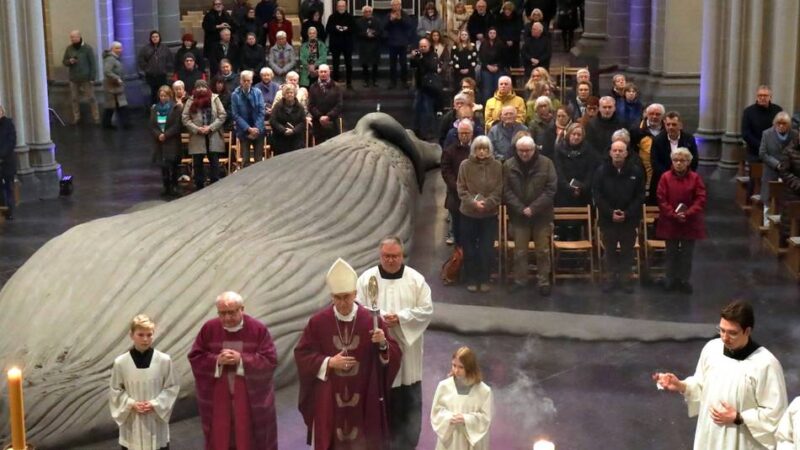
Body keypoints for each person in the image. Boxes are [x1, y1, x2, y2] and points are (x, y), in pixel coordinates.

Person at [294, 258, 402, 450]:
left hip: (363, 393)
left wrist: (383, 343)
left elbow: (393, 354)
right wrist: (328, 362)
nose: (342, 303)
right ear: (331, 296)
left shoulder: (371, 320)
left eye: (346, 297)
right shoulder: (318, 322)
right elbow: (302, 354)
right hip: (330, 396)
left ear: (355, 294)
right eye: (337, 297)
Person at [654, 300, 788, 450]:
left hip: (742, 441)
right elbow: (701, 386)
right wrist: (682, 386)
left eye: (732, 333)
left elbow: (775, 414)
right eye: (722, 330)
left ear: (747, 331)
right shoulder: (712, 349)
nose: (725, 337)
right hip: (710, 438)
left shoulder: (765, 364)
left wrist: (738, 417)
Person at [356, 237, 434, 450]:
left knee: (407, 408)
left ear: (402, 255)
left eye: (395, 256)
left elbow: (427, 310)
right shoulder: (366, 279)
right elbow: (358, 310)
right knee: (380, 407)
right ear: (380, 256)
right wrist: (379, 321)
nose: (391, 260)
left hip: (408, 353)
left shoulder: (416, 280)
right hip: (376, 353)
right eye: (387, 256)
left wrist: (401, 318)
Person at [189, 291, 279, 450]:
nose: (227, 318)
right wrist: (217, 360)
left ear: (242, 309)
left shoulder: (257, 329)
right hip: (219, 400)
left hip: (249, 400)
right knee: (221, 439)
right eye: (222, 313)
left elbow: (270, 360)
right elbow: (196, 356)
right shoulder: (210, 328)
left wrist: (241, 360)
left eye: (231, 312)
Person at [109, 314, 179, 450]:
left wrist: (155, 404)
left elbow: (172, 387)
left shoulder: (164, 360)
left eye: (149, 334)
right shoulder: (121, 363)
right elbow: (115, 390)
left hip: (155, 418)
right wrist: (131, 404)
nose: (145, 339)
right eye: (140, 335)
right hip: (132, 420)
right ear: (131, 335)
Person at [592, 130, 645, 293]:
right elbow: (597, 195)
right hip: (608, 220)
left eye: (620, 150)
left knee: (628, 251)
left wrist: (627, 213)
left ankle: (625, 280)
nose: (617, 153)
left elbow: (640, 195)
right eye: (614, 150)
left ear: (626, 152)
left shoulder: (636, 171)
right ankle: (610, 279)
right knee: (609, 251)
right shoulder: (601, 171)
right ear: (610, 152)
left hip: (629, 220)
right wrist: (610, 213)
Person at [504, 135, 556, 295]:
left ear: (534, 149)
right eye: (521, 151)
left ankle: (543, 282)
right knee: (520, 252)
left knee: (543, 251)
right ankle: (520, 280)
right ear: (516, 150)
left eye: (528, 150)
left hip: (542, 215)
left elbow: (551, 189)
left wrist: (533, 208)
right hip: (519, 216)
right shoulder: (508, 165)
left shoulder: (546, 164)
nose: (525, 154)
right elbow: (506, 190)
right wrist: (521, 208)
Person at [656, 147, 707, 293]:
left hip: (689, 222)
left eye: (682, 161)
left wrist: (688, 213)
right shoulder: (665, 177)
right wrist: (673, 214)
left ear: (688, 162)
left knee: (687, 254)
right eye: (676, 160)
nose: (678, 163)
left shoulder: (695, 178)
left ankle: (684, 280)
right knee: (670, 252)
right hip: (670, 221)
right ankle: (670, 279)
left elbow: (700, 198)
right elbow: (661, 198)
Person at [457, 136, 503, 292]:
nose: (482, 152)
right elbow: (461, 189)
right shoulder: (465, 165)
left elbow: (499, 189)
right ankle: (471, 278)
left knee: (486, 249)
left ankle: (484, 279)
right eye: (478, 148)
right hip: (468, 214)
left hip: (489, 215)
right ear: (474, 150)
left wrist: (488, 203)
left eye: (485, 149)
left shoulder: (497, 166)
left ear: (490, 150)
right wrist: (473, 203)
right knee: (469, 248)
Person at [430, 346, 493, 450]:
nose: (456, 370)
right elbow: (436, 412)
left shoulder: (484, 391)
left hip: (471, 443)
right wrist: (449, 417)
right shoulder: (444, 386)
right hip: (449, 441)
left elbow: (485, 419)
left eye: (461, 367)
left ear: (470, 367)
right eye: (454, 365)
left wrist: (466, 419)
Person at [182, 80, 227, 191]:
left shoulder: (215, 98)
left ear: (207, 87)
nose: (201, 89)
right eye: (198, 87)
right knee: (197, 162)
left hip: (213, 134)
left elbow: (222, 115)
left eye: (203, 86)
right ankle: (199, 186)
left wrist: (210, 127)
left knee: (214, 161)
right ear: (195, 89)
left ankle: (215, 185)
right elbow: (185, 118)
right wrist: (197, 129)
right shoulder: (190, 100)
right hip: (197, 136)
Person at [651, 111, 699, 205]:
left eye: (674, 124)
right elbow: (655, 162)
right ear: (664, 125)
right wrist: (669, 177)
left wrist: (683, 175)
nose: (670, 127)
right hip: (663, 180)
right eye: (668, 124)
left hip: (685, 179)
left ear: (680, 125)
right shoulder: (658, 140)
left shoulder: (689, 139)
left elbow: (694, 160)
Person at [442, 119, 475, 246]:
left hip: (474, 197)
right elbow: (446, 172)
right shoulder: (449, 151)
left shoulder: (477, 150)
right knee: (458, 234)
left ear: (472, 133)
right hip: (456, 198)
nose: (464, 135)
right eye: (462, 133)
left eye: (467, 133)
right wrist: (457, 187)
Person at [759, 112, 798, 211]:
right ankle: (767, 223)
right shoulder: (767, 134)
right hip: (771, 172)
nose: (781, 126)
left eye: (784, 124)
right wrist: (777, 164)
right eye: (778, 123)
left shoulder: (794, 134)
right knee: (768, 201)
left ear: (788, 125)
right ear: (774, 123)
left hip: (788, 173)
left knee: (785, 202)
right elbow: (762, 153)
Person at [150, 86, 183, 197]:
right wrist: (159, 134)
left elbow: (177, 125)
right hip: (160, 142)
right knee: (163, 166)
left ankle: (174, 186)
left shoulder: (175, 108)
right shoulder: (155, 109)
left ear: (170, 96)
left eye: (165, 96)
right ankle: (166, 187)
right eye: (161, 96)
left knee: (173, 165)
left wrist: (166, 134)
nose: (163, 98)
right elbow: (152, 125)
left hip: (172, 141)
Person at [554, 122, 596, 208]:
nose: (576, 137)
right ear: (569, 134)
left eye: (579, 135)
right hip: (563, 193)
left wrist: (582, 188)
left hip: (583, 194)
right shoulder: (559, 149)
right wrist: (569, 188)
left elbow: (590, 172)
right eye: (574, 134)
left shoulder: (589, 151)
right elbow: (558, 172)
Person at [62, 30, 99, 125]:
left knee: (91, 98)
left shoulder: (87, 48)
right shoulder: (69, 49)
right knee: (74, 98)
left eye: (74, 37)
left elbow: (93, 64)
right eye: (71, 37)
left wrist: (92, 77)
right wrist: (69, 61)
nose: (73, 39)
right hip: (74, 77)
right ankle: (76, 117)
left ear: (79, 37)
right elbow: (64, 61)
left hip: (86, 77)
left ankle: (96, 117)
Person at [630, 102, 665, 201]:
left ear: (662, 116)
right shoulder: (636, 130)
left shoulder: (667, 130)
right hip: (642, 171)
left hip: (662, 172)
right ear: (646, 114)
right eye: (651, 114)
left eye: (658, 114)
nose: (654, 116)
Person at [231, 70, 267, 167]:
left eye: (248, 80)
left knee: (258, 159)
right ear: (240, 81)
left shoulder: (258, 92)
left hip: (258, 131)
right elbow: (235, 115)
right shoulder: (235, 95)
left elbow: (261, 111)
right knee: (245, 160)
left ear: (251, 81)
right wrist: (248, 129)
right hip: (244, 131)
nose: (246, 82)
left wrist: (256, 128)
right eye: (244, 80)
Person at [410, 37, 441, 141]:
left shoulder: (433, 55)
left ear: (429, 46)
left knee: (428, 110)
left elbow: (431, 67)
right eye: (421, 46)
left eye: (424, 46)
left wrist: (422, 58)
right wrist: (413, 58)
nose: (422, 48)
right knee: (416, 109)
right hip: (420, 86)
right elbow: (413, 66)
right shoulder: (419, 55)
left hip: (429, 87)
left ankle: (429, 132)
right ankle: (416, 130)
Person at [742, 85, 783, 162]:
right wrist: (762, 146)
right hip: (755, 152)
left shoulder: (778, 110)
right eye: (760, 95)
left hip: (774, 152)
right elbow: (746, 134)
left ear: (770, 97)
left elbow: (783, 129)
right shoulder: (748, 111)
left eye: (765, 95)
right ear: (756, 97)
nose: (762, 98)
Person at [307, 64, 343, 145]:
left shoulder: (337, 87)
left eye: (325, 72)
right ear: (318, 73)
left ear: (329, 72)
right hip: (318, 123)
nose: (323, 74)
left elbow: (339, 105)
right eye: (321, 72)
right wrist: (320, 116)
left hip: (333, 123)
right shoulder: (313, 87)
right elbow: (311, 105)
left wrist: (328, 116)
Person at [138, 31, 174, 108]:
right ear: (151, 38)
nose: (155, 38)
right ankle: (153, 109)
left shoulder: (165, 48)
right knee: (153, 93)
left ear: (159, 37)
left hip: (162, 75)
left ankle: (164, 109)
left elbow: (170, 60)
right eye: (153, 37)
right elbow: (141, 60)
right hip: (151, 75)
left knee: (163, 93)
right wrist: (147, 69)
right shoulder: (145, 49)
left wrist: (166, 69)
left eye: (156, 36)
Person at [384, 0, 415, 89]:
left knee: (403, 64)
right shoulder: (389, 15)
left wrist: (400, 19)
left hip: (402, 43)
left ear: (400, 5)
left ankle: (404, 82)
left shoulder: (405, 15)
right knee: (392, 64)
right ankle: (392, 82)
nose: (395, 6)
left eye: (397, 5)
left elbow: (409, 26)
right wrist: (390, 20)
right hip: (392, 43)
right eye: (393, 5)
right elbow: (384, 27)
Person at [269, 83, 307, 154]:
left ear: (294, 94)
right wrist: (283, 130)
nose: (289, 94)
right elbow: (273, 121)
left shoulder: (300, 107)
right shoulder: (277, 107)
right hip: (280, 139)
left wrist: (294, 131)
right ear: (283, 94)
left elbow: (303, 122)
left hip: (296, 140)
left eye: (291, 93)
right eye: (287, 93)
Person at [326, 0, 356, 89]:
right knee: (335, 64)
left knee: (349, 63)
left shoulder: (350, 17)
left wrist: (347, 28)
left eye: (343, 6)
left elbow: (354, 29)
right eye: (339, 6)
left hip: (347, 44)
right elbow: (328, 29)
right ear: (337, 7)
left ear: (345, 7)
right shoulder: (332, 17)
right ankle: (335, 82)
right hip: (336, 44)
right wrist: (336, 28)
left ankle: (349, 83)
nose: (341, 7)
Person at [102, 41, 129, 129]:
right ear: (112, 49)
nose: (119, 50)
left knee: (120, 105)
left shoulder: (115, 58)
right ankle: (107, 124)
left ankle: (124, 123)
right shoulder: (110, 59)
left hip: (116, 86)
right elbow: (107, 71)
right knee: (111, 107)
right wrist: (117, 78)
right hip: (112, 86)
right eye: (117, 48)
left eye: (120, 48)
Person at [477, 28, 507, 105]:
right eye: (491, 33)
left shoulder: (501, 44)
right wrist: (487, 66)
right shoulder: (484, 43)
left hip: (498, 69)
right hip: (486, 69)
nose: (492, 34)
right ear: (488, 34)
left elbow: (505, 57)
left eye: (494, 33)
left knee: (498, 90)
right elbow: (481, 57)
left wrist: (498, 67)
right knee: (487, 91)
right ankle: (486, 110)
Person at [356, 5, 383, 88]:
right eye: (366, 11)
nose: (368, 13)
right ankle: (366, 81)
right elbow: (357, 33)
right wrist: (366, 34)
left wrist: (373, 34)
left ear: (372, 12)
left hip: (375, 45)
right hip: (364, 45)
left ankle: (375, 80)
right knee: (365, 64)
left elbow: (380, 31)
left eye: (369, 11)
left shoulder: (377, 21)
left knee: (375, 64)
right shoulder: (358, 21)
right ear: (363, 13)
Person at [0, 105, 16, 220]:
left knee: (8, 187)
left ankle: (9, 211)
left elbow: (11, 141)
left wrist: (2, 154)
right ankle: (2, 210)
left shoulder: (8, 124)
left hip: (7, 161)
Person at [495, 2, 523, 68]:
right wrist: (506, 40)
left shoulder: (517, 18)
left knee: (514, 61)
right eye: (505, 9)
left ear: (512, 10)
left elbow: (518, 30)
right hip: (503, 42)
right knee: (504, 61)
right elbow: (499, 31)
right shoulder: (499, 18)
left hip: (514, 43)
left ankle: (514, 77)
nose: (507, 11)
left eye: (509, 9)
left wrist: (512, 40)